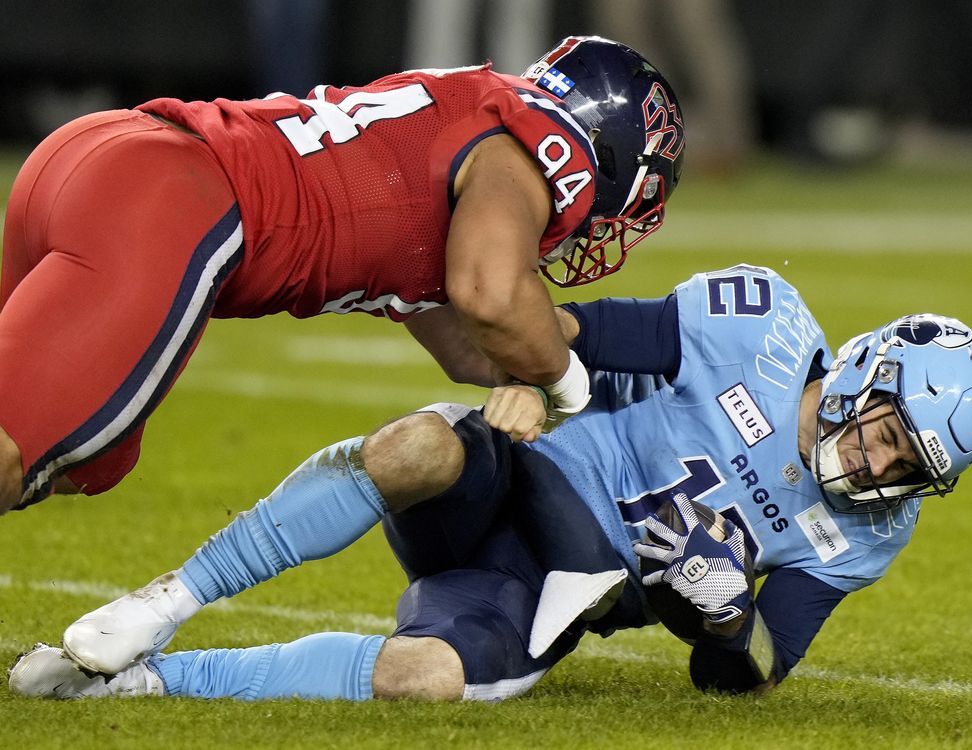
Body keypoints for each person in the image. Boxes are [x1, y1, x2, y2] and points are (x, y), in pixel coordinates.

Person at [11, 264, 972, 701]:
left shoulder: (870, 533)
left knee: (423, 680)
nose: (877, 469)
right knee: (411, 448)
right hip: (521, 470)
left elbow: (751, 673)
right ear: (866, 370)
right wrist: (535, 377)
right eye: (884, 436)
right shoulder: (760, 324)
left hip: (561, 584)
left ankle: (142, 685)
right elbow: (581, 330)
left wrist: (727, 619)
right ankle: (164, 602)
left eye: (907, 469)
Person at [0, 35, 685, 514]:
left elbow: (468, 340)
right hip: (171, 208)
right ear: (612, 153)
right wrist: (566, 386)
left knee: (92, 458)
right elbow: (492, 295)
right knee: (15, 452)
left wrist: (563, 361)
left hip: (97, 160)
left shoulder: (479, 114)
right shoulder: (537, 147)